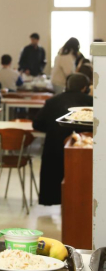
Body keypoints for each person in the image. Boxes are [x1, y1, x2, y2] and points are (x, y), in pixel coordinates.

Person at [33, 73, 92, 205]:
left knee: (54, 177)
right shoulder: (91, 102)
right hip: (82, 150)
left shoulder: (53, 101)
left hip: (54, 148)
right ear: (84, 88)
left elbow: (37, 123)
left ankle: (52, 200)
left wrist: (53, 128)